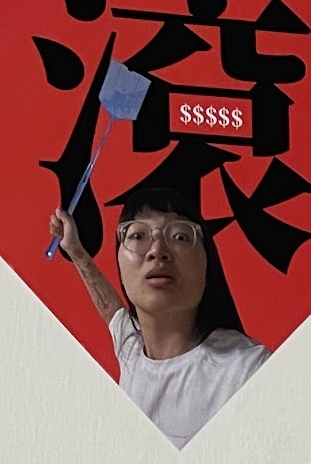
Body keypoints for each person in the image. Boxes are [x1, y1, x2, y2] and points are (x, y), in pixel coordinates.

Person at [49, 188, 269, 448]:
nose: (157, 250)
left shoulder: (248, 370)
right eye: (138, 236)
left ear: (207, 264)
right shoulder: (132, 348)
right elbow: (111, 310)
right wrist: (75, 250)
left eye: (180, 236)